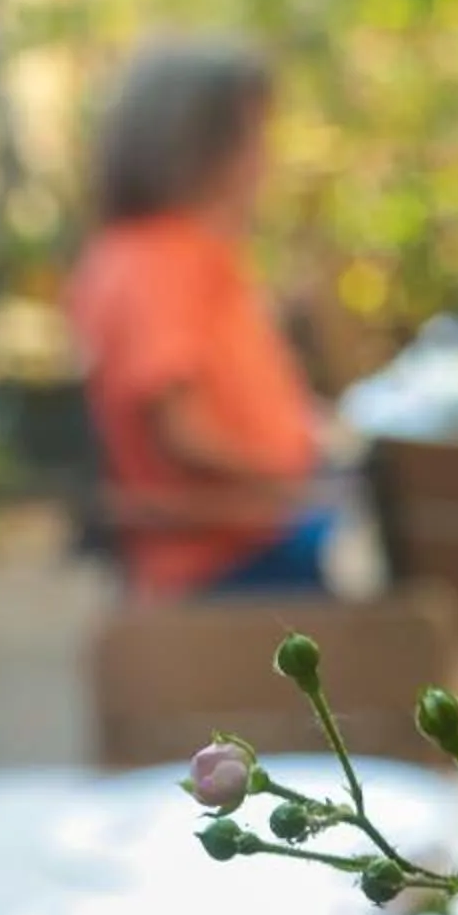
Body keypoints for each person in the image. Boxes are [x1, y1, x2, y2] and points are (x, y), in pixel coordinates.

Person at [68, 38, 331, 598]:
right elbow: (182, 431)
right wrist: (300, 474)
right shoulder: (161, 260)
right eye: (253, 138)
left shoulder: (159, 252)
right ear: (199, 146)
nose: (266, 159)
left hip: (248, 536)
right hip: (225, 557)